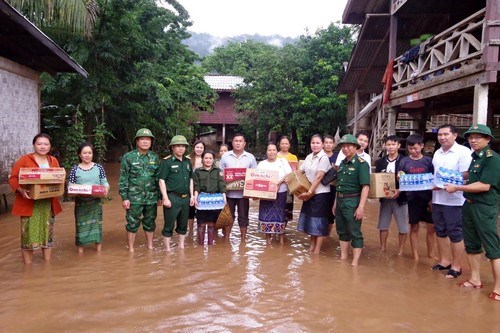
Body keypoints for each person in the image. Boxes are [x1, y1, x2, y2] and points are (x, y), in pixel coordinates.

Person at [444, 124, 500, 301]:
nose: (473, 140)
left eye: (478, 137)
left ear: (488, 139)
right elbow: (472, 175)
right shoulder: (475, 157)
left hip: (484, 207)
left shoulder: (492, 159)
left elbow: (484, 185)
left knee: (492, 246)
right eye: (470, 137)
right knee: (472, 244)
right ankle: (475, 279)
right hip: (469, 205)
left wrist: (457, 187)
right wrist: (453, 176)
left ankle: (499, 287)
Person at [8, 133, 63, 264]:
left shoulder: (53, 161)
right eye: (39, 144)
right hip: (29, 202)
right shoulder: (24, 160)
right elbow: (13, 178)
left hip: (47, 203)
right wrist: (20, 190)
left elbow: (58, 178)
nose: (42, 147)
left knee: (47, 235)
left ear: (50, 146)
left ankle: (47, 264)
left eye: (46, 144)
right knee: (28, 236)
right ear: (34, 145)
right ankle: (27, 266)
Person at [431, 124, 472, 279]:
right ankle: (444, 261)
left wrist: (447, 183)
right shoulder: (437, 153)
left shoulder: (463, 152)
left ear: (455, 135)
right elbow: (435, 175)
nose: (442, 137)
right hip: (437, 198)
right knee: (440, 230)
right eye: (440, 134)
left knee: (455, 232)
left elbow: (466, 174)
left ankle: (456, 266)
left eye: (446, 134)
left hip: (455, 200)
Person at [118, 128, 160, 253]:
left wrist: (159, 196)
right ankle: (131, 249)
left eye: (148, 139)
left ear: (151, 142)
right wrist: (124, 197)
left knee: (150, 222)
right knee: (132, 223)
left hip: (151, 197)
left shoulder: (154, 157)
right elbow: (123, 178)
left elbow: (158, 178)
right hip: (134, 198)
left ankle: (150, 247)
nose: (145, 142)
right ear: (137, 141)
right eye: (142, 139)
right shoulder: (129, 157)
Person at [398, 134, 436, 261]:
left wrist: (432, 199)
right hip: (412, 198)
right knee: (414, 226)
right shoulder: (404, 161)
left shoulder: (428, 161)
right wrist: (399, 177)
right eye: (410, 149)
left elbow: (434, 179)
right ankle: (415, 255)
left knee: (431, 228)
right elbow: (400, 177)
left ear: (422, 146)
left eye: (415, 148)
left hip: (427, 198)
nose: (413, 151)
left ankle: (431, 254)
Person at [334, 134, 370, 266]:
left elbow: (365, 186)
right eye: (343, 146)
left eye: (348, 146)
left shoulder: (362, 164)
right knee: (342, 230)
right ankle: (344, 257)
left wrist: (361, 206)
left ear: (355, 147)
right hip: (340, 200)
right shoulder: (342, 164)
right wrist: (335, 203)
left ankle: (355, 261)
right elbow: (339, 185)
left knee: (354, 231)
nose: (345, 149)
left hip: (353, 201)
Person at [68, 142, 110, 253]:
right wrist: (74, 191)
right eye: (84, 153)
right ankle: (80, 252)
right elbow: (70, 186)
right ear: (79, 155)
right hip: (81, 204)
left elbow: (104, 182)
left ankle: (98, 251)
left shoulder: (98, 167)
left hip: (95, 202)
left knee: (97, 227)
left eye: (89, 153)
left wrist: (106, 190)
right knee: (80, 228)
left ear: (92, 154)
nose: (87, 155)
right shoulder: (75, 169)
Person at [295, 134, 331, 254]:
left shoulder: (324, 158)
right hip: (309, 193)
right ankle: (312, 246)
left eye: (317, 143)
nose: (315, 145)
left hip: (320, 194)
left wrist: (310, 192)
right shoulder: (309, 157)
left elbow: (319, 177)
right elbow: (300, 172)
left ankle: (317, 250)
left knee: (319, 222)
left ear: (322, 145)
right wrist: (290, 178)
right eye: (313, 143)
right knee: (311, 221)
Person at [159, 135, 195, 251]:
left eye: (183, 146)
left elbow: (190, 179)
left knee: (183, 225)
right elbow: (161, 180)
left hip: (185, 198)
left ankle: (181, 246)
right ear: (173, 148)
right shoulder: (166, 162)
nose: (181, 149)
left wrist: (192, 196)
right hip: (172, 197)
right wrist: (165, 198)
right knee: (169, 224)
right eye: (178, 146)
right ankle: (168, 249)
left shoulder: (188, 161)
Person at [219, 133, 257, 241]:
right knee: (227, 217)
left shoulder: (250, 157)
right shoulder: (225, 156)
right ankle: (226, 239)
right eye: (236, 141)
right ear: (232, 143)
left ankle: (243, 240)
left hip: (244, 195)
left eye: (240, 141)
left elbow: (255, 175)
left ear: (244, 143)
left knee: (243, 217)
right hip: (228, 194)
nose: (238, 143)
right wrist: (221, 175)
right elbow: (220, 173)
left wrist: (254, 194)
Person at [375, 135, 408, 255]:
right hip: (385, 198)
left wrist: (400, 190)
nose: (391, 147)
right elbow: (377, 179)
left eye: (393, 144)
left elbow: (408, 180)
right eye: (388, 144)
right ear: (385, 146)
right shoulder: (380, 162)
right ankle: (383, 248)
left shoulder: (404, 161)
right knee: (383, 225)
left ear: (398, 145)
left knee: (403, 227)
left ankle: (400, 251)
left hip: (401, 198)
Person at [257, 143, 293, 245]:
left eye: (273, 150)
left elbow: (289, 174)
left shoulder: (283, 161)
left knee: (280, 216)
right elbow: (257, 179)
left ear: (276, 151)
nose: (271, 152)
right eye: (269, 150)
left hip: (281, 193)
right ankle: (268, 240)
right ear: (266, 152)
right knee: (266, 216)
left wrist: (279, 183)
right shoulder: (262, 164)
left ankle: (281, 240)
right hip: (265, 195)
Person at [193, 150, 226, 245]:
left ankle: (210, 245)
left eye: (210, 158)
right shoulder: (197, 172)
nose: (208, 160)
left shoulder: (218, 171)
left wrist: (225, 201)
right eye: (206, 158)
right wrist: (195, 198)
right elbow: (196, 186)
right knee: (201, 224)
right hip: (202, 200)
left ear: (213, 159)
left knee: (212, 224)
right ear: (202, 159)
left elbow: (222, 186)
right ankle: (200, 245)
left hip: (215, 201)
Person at [277, 136, 299, 221]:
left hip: (289, 186)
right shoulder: (275, 155)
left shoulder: (293, 157)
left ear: (289, 145)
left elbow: (296, 173)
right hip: (277, 185)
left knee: (287, 207)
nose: (284, 145)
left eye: (286, 143)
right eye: (282, 143)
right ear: (279, 144)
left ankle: (283, 229)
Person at [187, 140, 205, 238]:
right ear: (194, 148)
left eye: (201, 147)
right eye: (197, 147)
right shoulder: (188, 159)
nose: (199, 149)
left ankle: (200, 232)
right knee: (191, 210)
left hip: (202, 188)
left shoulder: (206, 158)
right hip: (190, 187)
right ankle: (190, 232)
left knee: (201, 210)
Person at [324, 134, 339, 235]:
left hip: (333, 188)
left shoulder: (338, 156)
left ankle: (327, 235)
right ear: (323, 144)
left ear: (334, 144)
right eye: (326, 143)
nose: (329, 145)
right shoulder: (319, 155)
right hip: (319, 187)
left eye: (331, 143)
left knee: (330, 213)